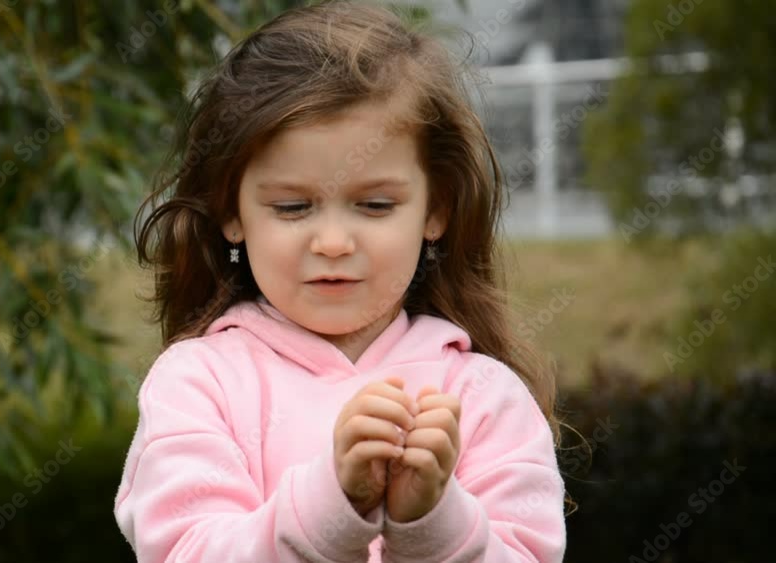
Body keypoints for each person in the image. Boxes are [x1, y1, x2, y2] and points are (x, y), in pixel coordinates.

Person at [114, 1, 568, 561]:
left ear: (436, 211)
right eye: (292, 206)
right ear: (231, 212)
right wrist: (331, 506)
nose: (332, 242)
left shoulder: (485, 397)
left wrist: (431, 521)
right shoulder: (199, 384)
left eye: (375, 205)